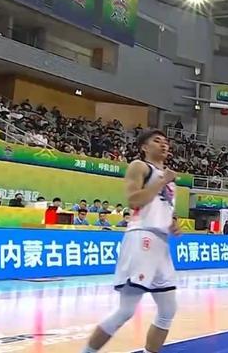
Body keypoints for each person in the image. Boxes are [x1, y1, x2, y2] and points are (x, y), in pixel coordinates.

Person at [83, 130, 180, 353]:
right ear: (144, 147)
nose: (163, 144)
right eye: (157, 141)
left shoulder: (167, 177)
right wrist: (162, 181)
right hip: (142, 237)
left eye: (165, 141)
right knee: (126, 310)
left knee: (168, 309)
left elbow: (161, 206)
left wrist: (172, 223)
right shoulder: (140, 166)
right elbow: (134, 200)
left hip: (161, 243)